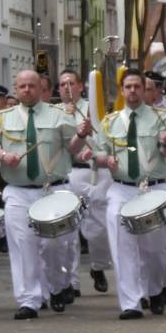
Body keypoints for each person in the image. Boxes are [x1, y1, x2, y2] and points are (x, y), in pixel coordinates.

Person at [0, 70, 89, 319]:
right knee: (22, 245)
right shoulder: (2, 119)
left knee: (54, 245)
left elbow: (73, 148)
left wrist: (81, 135)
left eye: (31, 86)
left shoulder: (59, 115)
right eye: (22, 86)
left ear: (41, 89)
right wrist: (3, 156)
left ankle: (57, 285)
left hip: (53, 189)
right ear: (15, 90)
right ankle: (29, 299)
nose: (27, 90)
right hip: (18, 191)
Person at [92, 71, 166, 319]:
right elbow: (97, 155)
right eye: (128, 87)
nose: (132, 91)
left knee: (156, 247)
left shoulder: (161, 119)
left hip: (154, 187)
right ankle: (130, 302)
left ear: (144, 90)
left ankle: (155, 290)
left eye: (137, 87)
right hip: (121, 188)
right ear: (122, 91)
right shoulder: (110, 122)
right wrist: (104, 159)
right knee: (123, 246)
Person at [58, 70, 111, 294]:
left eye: (71, 83)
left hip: (94, 172)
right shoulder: (53, 113)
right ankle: (71, 282)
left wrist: (95, 152)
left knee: (99, 230)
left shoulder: (94, 108)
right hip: (67, 174)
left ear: (81, 85)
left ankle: (98, 267)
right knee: (68, 233)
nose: (67, 88)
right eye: (62, 84)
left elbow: (106, 138)